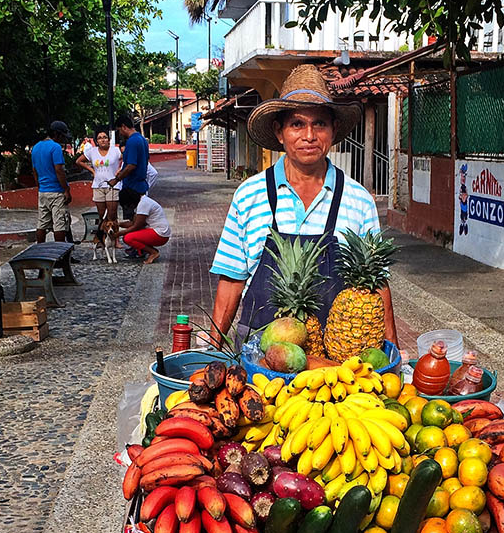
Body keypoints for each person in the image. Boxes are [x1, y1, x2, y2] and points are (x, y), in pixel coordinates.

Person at [207, 65, 397, 347]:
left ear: (332, 131)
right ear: (279, 132)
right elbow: (232, 280)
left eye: (319, 123)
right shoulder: (250, 195)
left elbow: (376, 283)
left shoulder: (358, 200)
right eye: (297, 124)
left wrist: (393, 353)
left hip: (335, 367)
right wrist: (213, 351)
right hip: (257, 355)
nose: (309, 135)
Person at [31, 120, 74, 243]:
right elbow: (59, 170)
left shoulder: (36, 147)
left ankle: (40, 250)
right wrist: (66, 189)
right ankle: (60, 254)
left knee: (42, 224)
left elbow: (34, 171)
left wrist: (39, 186)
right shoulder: (55, 148)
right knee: (59, 224)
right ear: (57, 134)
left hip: (43, 191)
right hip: (56, 191)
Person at [76, 127, 122, 236]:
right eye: (100, 138)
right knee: (102, 214)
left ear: (109, 139)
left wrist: (120, 170)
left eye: (105, 137)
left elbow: (128, 159)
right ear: (96, 141)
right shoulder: (92, 152)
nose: (102, 140)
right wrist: (92, 170)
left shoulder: (116, 151)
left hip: (112, 186)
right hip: (98, 185)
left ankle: (115, 238)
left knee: (112, 214)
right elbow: (79, 161)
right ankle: (103, 237)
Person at [108, 113, 149, 220]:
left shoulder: (132, 141)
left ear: (124, 127)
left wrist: (116, 179)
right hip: (140, 185)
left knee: (131, 220)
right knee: (139, 218)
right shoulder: (142, 140)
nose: (120, 134)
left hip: (132, 187)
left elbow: (131, 165)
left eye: (119, 130)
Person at [119, 193, 171, 264]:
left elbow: (136, 226)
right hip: (161, 232)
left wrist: (118, 234)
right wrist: (118, 224)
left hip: (160, 234)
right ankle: (146, 251)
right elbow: (133, 223)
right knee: (131, 234)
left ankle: (153, 252)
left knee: (128, 238)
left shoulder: (143, 204)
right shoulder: (143, 201)